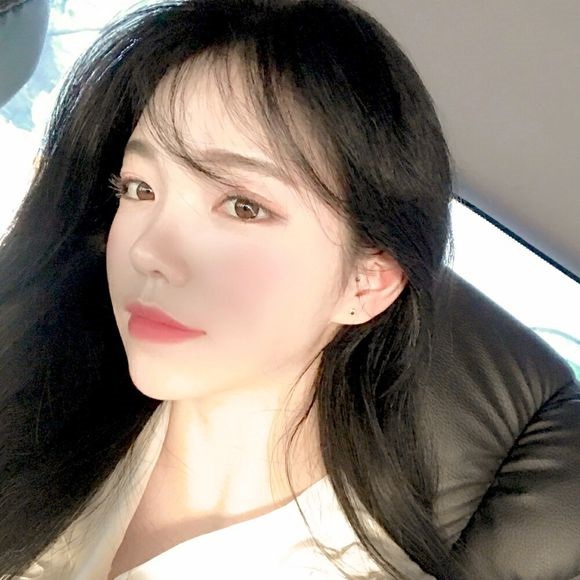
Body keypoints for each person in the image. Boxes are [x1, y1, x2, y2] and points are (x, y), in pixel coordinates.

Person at [0, 0, 464, 578]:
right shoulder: (37, 400)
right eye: (139, 189)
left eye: (243, 206)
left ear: (365, 282)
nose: (147, 252)